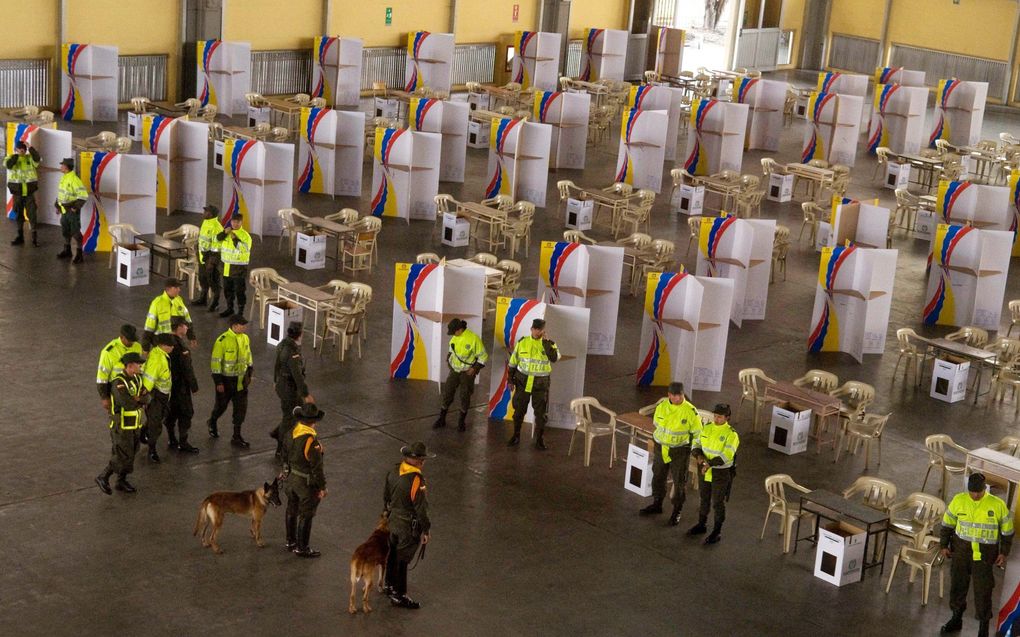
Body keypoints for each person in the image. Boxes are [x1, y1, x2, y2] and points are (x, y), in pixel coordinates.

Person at [939, 472, 1013, 637]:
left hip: (985, 557)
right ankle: (956, 619)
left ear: (984, 489)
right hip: (960, 553)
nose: (975, 495)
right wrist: (943, 544)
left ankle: (983, 629)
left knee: (983, 592)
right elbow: (947, 524)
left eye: (978, 492)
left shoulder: (997, 505)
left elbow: (1007, 531)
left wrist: (1004, 552)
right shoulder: (959, 500)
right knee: (958, 587)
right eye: (972, 492)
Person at [639, 382, 702, 526]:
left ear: (683, 394)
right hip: (661, 448)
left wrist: (694, 451)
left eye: (679, 395)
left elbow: (698, 433)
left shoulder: (691, 411)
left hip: (679, 451)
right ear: (669, 395)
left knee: (679, 482)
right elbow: (657, 424)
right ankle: (657, 504)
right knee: (658, 476)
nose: (677, 398)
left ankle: (677, 511)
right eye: (674, 395)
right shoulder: (662, 407)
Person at [384, 441, 433, 609]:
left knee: (392, 552)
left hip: (393, 520)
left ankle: (388, 584)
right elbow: (421, 508)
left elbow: (386, 496)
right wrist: (426, 529)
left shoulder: (393, 470)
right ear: (418, 460)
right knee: (403, 558)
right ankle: (399, 594)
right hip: (407, 525)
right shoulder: (416, 480)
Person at [95, 352, 149, 495]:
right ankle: (103, 476)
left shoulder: (137, 378)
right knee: (122, 454)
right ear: (130, 366)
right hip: (122, 426)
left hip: (134, 424)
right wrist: (138, 400)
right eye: (138, 364)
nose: (141, 366)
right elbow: (127, 403)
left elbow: (147, 396)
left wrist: (139, 399)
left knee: (131, 452)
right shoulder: (119, 383)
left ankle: (121, 480)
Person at [688, 403, 739, 545]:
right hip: (704, 468)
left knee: (717, 502)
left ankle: (717, 531)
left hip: (720, 473)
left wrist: (709, 464)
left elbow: (727, 455)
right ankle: (701, 524)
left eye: (720, 417)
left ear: (727, 418)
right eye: (715, 416)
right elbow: (696, 444)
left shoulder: (731, 435)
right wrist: (698, 456)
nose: (716, 419)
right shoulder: (707, 428)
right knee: (704, 498)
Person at [507, 318, 559, 450]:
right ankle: (516, 435)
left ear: (543, 331)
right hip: (522, 382)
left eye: (540, 330)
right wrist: (510, 379)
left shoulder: (549, 344)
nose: (537, 332)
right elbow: (513, 362)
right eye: (535, 329)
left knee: (540, 414)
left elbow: (554, 358)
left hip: (540, 385)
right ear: (531, 329)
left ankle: (539, 440)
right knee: (518, 411)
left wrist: (546, 343)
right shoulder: (522, 342)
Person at [285, 402, 327, 558]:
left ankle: (290, 541)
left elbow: (284, 454)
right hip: (305, 483)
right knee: (306, 514)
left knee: (291, 509)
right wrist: (322, 487)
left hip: (291, 479)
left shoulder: (291, 432)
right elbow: (317, 468)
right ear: (314, 421)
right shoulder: (311, 442)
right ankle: (302, 547)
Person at [434, 318, 488, 432]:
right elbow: (451, 351)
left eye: (453, 332)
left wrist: (475, 368)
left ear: (459, 330)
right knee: (447, 393)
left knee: (465, 396)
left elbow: (483, 356)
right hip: (455, 371)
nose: (452, 334)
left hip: (467, 373)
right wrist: (449, 360)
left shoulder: (473, 339)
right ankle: (442, 418)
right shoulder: (455, 337)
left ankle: (461, 421)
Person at [208, 315, 253, 448]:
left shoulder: (245, 338)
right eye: (242, 325)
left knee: (241, 409)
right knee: (221, 406)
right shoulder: (222, 341)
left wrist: (250, 371)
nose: (244, 327)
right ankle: (212, 421)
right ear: (234, 326)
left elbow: (248, 355)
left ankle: (236, 436)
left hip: (241, 381)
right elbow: (215, 362)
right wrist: (218, 382)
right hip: (226, 381)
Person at [274, 321, 313, 462]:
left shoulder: (282, 345)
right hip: (289, 388)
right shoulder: (293, 352)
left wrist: (275, 381)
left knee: (291, 414)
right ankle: (280, 448)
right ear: (299, 334)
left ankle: (278, 434)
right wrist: (306, 394)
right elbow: (297, 376)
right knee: (290, 417)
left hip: (282, 385)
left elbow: (276, 366)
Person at [166, 317, 200, 453]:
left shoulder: (166, 342)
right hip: (180, 386)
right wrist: (194, 386)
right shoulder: (180, 346)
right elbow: (187, 368)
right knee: (186, 412)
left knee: (171, 412)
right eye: (185, 326)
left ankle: (171, 438)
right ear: (179, 327)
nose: (187, 328)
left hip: (169, 385)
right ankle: (183, 442)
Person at [141, 333, 175, 462]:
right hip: (156, 397)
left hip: (163, 396)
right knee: (155, 426)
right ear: (163, 345)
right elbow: (148, 380)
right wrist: (144, 398)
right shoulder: (157, 359)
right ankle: (152, 451)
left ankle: (143, 432)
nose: (172, 348)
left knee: (157, 419)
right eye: (170, 346)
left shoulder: (161, 355)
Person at [96, 324, 143, 412]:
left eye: (133, 340)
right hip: (117, 390)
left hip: (133, 388)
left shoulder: (137, 347)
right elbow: (102, 377)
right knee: (118, 417)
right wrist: (104, 397)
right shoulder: (109, 352)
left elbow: (139, 368)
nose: (132, 343)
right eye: (129, 340)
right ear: (122, 337)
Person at [5, 140, 41, 246]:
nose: (22, 150)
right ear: (15, 149)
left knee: (32, 215)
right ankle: (20, 237)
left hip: (29, 193)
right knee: (19, 215)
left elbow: (37, 159)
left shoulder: (30, 158)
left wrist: (31, 148)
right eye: (20, 148)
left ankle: (34, 239)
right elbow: (9, 165)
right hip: (17, 194)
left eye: (24, 149)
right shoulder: (10, 158)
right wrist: (17, 155)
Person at [143, 278, 195, 350]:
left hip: (175, 338)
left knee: (184, 357)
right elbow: (149, 326)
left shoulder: (179, 300)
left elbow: (187, 319)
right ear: (168, 288)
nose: (179, 290)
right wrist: (146, 347)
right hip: (161, 340)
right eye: (176, 287)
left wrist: (191, 336)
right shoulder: (157, 303)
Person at [217, 213, 252, 318]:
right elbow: (218, 239)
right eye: (233, 221)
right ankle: (230, 308)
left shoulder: (245, 236)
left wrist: (234, 238)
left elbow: (244, 249)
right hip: (226, 267)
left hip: (238, 268)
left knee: (239, 290)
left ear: (241, 222)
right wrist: (224, 232)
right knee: (228, 290)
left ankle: (240, 312)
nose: (235, 224)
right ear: (231, 221)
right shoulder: (227, 232)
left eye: (238, 222)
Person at [55, 157, 88, 263]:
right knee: (66, 231)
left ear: (67, 167)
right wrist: (58, 206)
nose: (61, 167)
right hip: (64, 211)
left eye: (62, 165)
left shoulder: (74, 180)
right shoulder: (64, 177)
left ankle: (79, 254)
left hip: (71, 211)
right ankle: (67, 250)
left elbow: (83, 195)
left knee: (75, 232)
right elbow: (61, 194)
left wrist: (75, 207)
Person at [195, 204, 223, 312]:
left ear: (211, 214)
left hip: (211, 260)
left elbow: (217, 247)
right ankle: (203, 299)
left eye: (206, 212)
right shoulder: (206, 222)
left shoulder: (216, 227)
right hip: (202, 257)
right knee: (203, 279)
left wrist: (212, 262)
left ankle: (215, 303)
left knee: (213, 282)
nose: (204, 213)